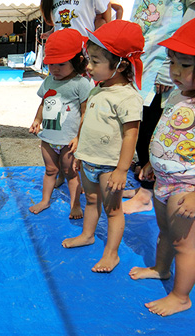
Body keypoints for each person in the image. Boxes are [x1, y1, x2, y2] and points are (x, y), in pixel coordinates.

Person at [62, 20, 144, 273]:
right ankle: (87, 235)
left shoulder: (128, 97)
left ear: (120, 65)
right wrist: (79, 149)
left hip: (110, 166)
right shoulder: (98, 89)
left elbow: (131, 136)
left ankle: (111, 253)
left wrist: (122, 170)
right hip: (88, 160)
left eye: (95, 61)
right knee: (91, 200)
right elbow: (88, 122)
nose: (88, 66)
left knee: (113, 210)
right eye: (90, 58)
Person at [129, 18, 195, 317]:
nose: (175, 72)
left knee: (185, 244)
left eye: (186, 64)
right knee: (164, 232)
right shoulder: (177, 94)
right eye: (172, 62)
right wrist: (151, 162)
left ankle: (181, 297)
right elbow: (166, 132)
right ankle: (160, 269)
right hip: (164, 180)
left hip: (188, 188)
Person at [123, 0, 194, 214]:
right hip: (144, 59)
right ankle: (148, 186)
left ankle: (146, 192)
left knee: (153, 122)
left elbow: (190, 17)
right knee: (143, 123)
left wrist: (168, 65)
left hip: (162, 62)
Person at [28, 29, 91, 220]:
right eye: (51, 64)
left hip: (69, 140)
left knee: (70, 173)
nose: (55, 68)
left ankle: (75, 205)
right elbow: (43, 103)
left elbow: (85, 112)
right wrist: (37, 120)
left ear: (77, 60)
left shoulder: (81, 83)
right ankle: (45, 200)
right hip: (48, 137)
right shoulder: (49, 81)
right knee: (50, 170)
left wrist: (79, 137)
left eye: (61, 64)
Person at [39, 0, 111, 39]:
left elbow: (105, 18)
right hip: (62, 51)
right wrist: (53, 31)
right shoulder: (49, 2)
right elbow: (65, 22)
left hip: (85, 52)